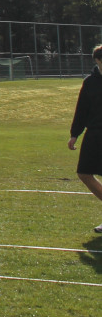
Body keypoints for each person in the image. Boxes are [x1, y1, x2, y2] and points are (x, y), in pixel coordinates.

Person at [69, 44, 102, 231]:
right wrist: (74, 134)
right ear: (97, 60)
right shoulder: (90, 82)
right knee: (84, 173)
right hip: (94, 133)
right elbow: (82, 110)